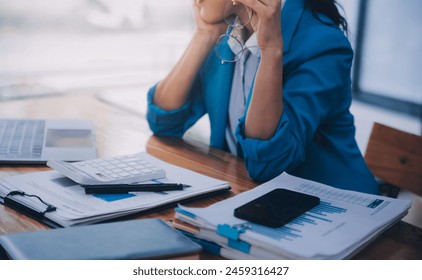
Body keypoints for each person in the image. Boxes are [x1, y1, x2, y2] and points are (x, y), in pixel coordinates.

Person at [146, 0, 379, 194]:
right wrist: (203, 34)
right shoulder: (230, 31)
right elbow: (164, 122)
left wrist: (271, 51)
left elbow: (270, 163)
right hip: (249, 195)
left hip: (331, 208)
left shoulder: (324, 43)